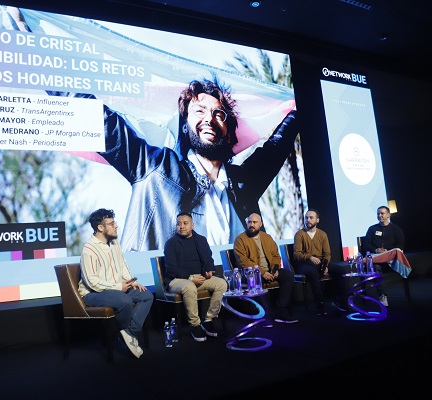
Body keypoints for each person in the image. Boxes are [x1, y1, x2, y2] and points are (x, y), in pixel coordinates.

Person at [51, 78, 298, 252]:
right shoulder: (155, 168)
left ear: (229, 132)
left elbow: (277, 145)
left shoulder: (243, 183)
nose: (209, 119)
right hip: (169, 305)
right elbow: (100, 121)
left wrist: (301, 104)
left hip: (239, 304)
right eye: (199, 111)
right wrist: (44, 59)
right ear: (185, 126)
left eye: (219, 114)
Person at [78, 208, 153, 359]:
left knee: (146, 295)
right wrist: (119, 287)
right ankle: (125, 335)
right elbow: (92, 282)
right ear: (100, 227)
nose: (116, 226)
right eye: (111, 224)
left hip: (116, 288)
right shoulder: (89, 249)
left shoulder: (114, 242)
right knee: (124, 301)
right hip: (93, 293)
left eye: (114, 222)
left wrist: (131, 281)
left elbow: (122, 263)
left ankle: (129, 333)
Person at [163, 212, 227, 342]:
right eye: (179, 224)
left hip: (200, 278)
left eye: (185, 223)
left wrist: (210, 270)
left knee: (222, 284)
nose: (181, 226)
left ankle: (208, 320)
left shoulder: (201, 240)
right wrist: (190, 278)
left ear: (192, 225)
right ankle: (195, 325)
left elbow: (209, 259)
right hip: (178, 280)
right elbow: (171, 269)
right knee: (189, 286)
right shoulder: (171, 243)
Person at [233, 213, 297, 323]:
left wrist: (275, 269)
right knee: (256, 280)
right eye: (249, 222)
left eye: (254, 222)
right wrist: (262, 272)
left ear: (260, 224)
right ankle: (265, 315)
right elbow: (243, 262)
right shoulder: (240, 240)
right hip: (252, 273)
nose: (251, 225)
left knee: (288, 276)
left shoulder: (267, 237)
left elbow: (276, 256)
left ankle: (281, 310)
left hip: (270, 270)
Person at [293, 209, 349, 316]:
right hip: (304, 264)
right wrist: (310, 257)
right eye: (306, 217)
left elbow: (327, 254)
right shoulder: (299, 234)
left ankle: (341, 301)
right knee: (314, 273)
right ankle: (320, 304)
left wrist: (325, 265)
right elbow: (297, 254)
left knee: (340, 270)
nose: (308, 220)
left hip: (319, 263)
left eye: (311, 218)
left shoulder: (322, 234)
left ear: (317, 220)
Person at [361, 205, 406, 307]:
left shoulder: (396, 229)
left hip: (392, 260)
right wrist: (376, 250)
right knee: (375, 267)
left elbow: (400, 245)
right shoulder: (372, 229)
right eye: (378, 214)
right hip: (377, 260)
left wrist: (388, 251)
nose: (380, 215)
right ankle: (382, 295)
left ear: (388, 215)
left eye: (382, 213)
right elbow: (366, 245)